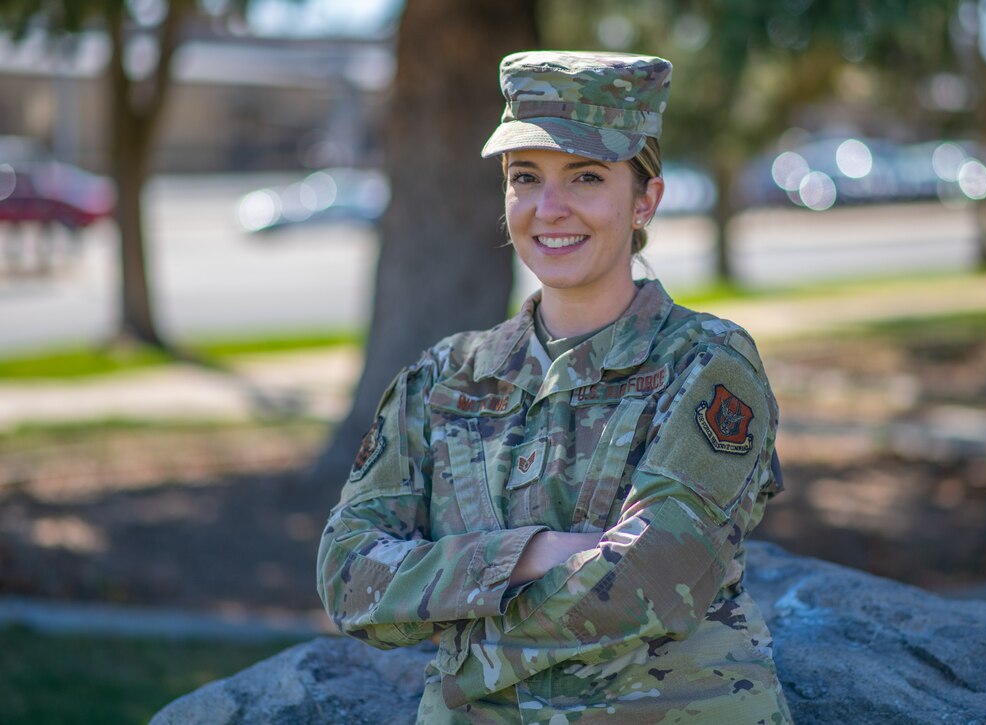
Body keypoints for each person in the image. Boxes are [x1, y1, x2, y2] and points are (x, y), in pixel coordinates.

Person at [317, 50, 792, 724]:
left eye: (587, 176)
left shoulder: (707, 363)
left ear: (645, 199)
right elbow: (345, 575)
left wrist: (451, 623)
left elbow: (654, 576)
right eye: (525, 177)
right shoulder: (443, 379)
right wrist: (530, 553)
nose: (549, 207)